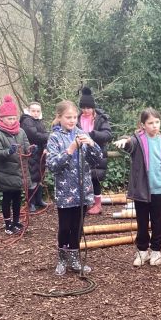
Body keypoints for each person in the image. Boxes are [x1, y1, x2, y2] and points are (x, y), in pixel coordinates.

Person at [114, 108, 161, 267]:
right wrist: (124, 141)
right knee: (142, 223)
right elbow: (129, 142)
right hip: (142, 191)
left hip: (159, 191)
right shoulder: (138, 141)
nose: (154, 125)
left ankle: (156, 251)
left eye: (157, 122)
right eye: (150, 123)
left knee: (158, 222)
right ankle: (142, 251)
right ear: (143, 125)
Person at [46, 100, 103, 276]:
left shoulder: (81, 133)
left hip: (83, 191)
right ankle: (62, 260)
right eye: (68, 117)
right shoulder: (54, 137)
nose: (72, 120)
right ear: (59, 117)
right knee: (65, 227)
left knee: (78, 227)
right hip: (65, 193)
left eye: (74, 117)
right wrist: (70, 150)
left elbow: (97, 159)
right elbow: (52, 165)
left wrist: (92, 144)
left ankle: (74, 259)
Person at [0, 95, 32, 235]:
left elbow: (26, 146)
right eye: (9, 118)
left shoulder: (21, 131)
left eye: (14, 118)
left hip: (19, 172)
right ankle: (8, 224)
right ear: (1, 119)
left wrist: (31, 150)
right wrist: (9, 151)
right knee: (7, 198)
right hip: (6, 172)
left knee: (17, 198)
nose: (12, 121)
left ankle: (16, 221)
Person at [77, 87, 112, 215]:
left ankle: (98, 205)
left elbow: (108, 135)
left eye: (88, 108)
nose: (85, 110)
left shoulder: (101, 119)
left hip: (97, 153)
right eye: (83, 107)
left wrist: (92, 134)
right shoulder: (76, 118)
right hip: (80, 153)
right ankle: (86, 203)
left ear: (93, 107)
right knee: (82, 179)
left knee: (95, 178)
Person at [20, 102, 50, 213]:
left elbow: (44, 137)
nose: (36, 113)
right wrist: (48, 135)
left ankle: (39, 200)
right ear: (29, 111)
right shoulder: (26, 121)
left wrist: (46, 147)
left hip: (40, 153)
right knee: (32, 178)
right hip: (31, 153)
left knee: (40, 177)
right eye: (33, 111)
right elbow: (35, 136)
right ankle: (31, 203)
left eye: (38, 111)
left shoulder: (40, 122)